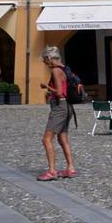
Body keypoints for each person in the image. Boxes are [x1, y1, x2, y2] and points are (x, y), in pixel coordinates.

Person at [37, 46, 77, 181]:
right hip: (68, 106)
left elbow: (59, 92)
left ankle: (52, 171)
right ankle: (70, 168)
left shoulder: (55, 70)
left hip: (60, 107)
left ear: (49, 58)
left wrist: (47, 87)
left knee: (46, 139)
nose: (45, 63)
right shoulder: (64, 69)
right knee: (63, 138)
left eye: (45, 60)